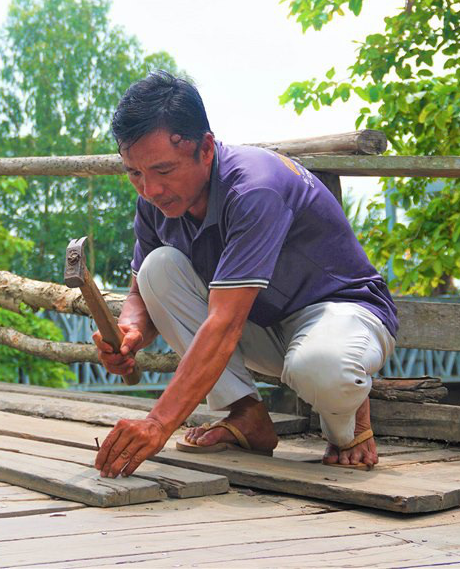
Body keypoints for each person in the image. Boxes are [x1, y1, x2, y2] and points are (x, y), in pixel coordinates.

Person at [93, 71, 397, 479]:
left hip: (341, 312)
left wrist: (157, 424)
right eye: (135, 173)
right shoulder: (154, 200)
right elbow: (140, 292)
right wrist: (129, 333)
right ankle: (246, 416)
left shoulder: (254, 187)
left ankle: (350, 431)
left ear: (205, 149)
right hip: (263, 321)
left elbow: (224, 323)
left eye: (163, 171)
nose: (150, 189)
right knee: (157, 268)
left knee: (322, 367)